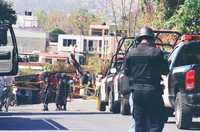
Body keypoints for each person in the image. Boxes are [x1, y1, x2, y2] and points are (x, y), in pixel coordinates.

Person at [124, 27, 169, 132]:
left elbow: (127, 73)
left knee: (139, 123)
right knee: (156, 122)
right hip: (153, 91)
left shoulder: (131, 53)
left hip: (137, 93)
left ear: (139, 39)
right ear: (152, 39)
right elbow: (165, 71)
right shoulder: (157, 53)